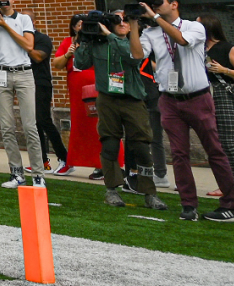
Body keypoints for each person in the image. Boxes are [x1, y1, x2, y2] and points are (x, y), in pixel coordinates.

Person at [131, 0, 234, 221]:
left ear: (174, 4)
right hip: (169, 100)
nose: (155, 6)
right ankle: (188, 205)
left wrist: (156, 17)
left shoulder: (193, 27)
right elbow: (137, 54)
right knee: (179, 154)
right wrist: (132, 24)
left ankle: (230, 203)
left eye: (159, 2)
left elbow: (182, 41)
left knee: (214, 151)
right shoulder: (151, 32)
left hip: (198, 98)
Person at [73, 11, 169, 212]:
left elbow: (132, 57)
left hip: (132, 100)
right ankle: (111, 190)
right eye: (118, 20)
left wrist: (109, 34)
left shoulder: (136, 41)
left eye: (126, 20)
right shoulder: (99, 43)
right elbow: (80, 64)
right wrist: (84, 38)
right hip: (107, 99)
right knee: (109, 145)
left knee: (141, 146)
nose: (123, 23)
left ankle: (150, 193)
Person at [0, 0, 45, 188]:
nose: (4, 0)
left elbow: (28, 45)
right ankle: (16, 173)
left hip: (24, 73)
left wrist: (5, 25)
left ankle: (38, 175)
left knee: (29, 127)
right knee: (7, 127)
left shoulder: (23, 19)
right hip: (1, 72)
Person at [53, 15, 105, 179]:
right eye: (79, 25)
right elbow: (57, 64)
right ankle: (72, 161)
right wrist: (68, 54)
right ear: (74, 27)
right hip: (76, 90)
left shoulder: (96, 42)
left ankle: (101, 164)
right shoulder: (68, 42)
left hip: (95, 88)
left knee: (98, 125)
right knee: (78, 125)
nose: (82, 28)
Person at [198, 15, 234, 198]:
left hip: (223, 96)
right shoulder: (198, 49)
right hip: (204, 96)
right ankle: (225, 184)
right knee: (215, 144)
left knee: (228, 142)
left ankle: (230, 185)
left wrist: (224, 70)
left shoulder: (227, 48)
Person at [29, 12, 68, 175]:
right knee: (33, 123)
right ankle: (42, 161)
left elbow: (38, 57)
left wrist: (24, 44)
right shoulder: (17, 40)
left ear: (34, 22)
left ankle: (64, 157)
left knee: (44, 120)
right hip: (26, 84)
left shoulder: (42, 39)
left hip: (41, 83)